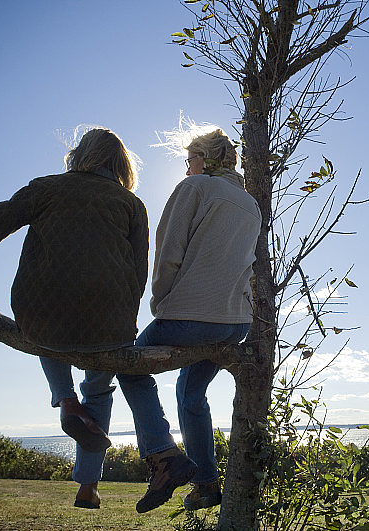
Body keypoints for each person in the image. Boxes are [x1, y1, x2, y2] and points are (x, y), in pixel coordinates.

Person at [0, 127, 149, 506]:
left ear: (79, 156)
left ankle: (65, 401)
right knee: (99, 388)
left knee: (46, 319)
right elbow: (138, 273)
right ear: (120, 164)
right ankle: (88, 486)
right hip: (109, 322)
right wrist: (123, 325)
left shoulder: (46, 188)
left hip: (42, 315)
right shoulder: (133, 205)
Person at [79, 127, 261, 513]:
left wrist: (160, 301)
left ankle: (163, 457)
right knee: (191, 393)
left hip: (190, 318)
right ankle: (207, 485)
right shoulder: (250, 205)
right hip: (235, 323)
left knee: (126, 365)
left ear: (206, 160)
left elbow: (168, 251)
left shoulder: (193, 189)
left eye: (190, 159)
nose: (186, 167)